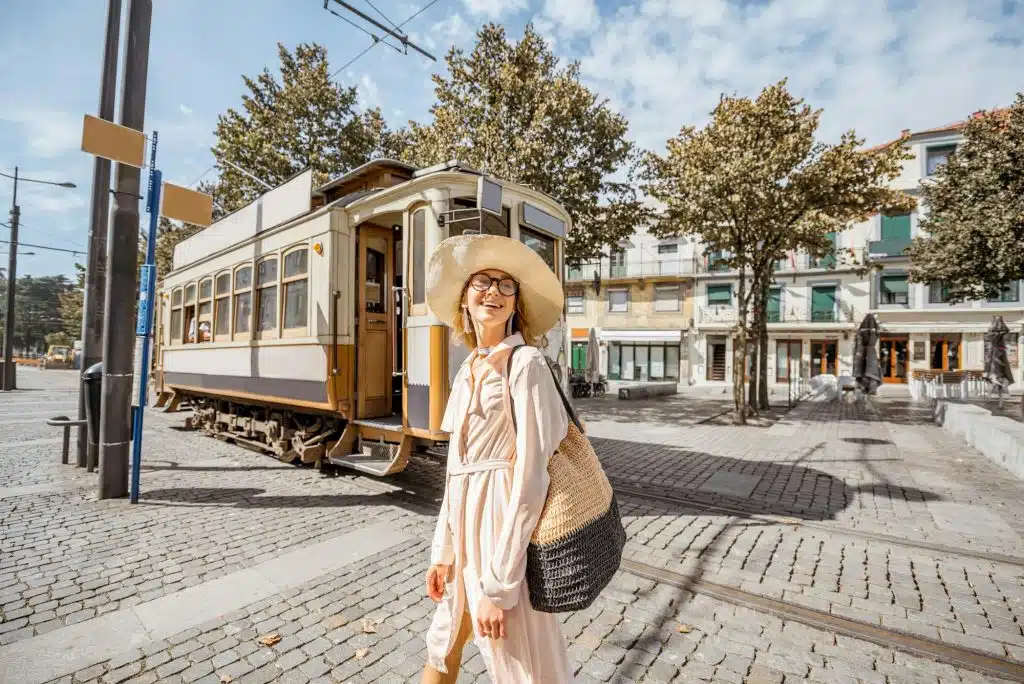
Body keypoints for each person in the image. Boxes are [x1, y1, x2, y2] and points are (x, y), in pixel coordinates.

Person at [421, 233, 574, 683]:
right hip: (465, 532)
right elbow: (456, 473)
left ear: (515, 305)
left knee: (522, 666)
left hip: (502, 531)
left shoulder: (526, 364)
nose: (493, 291)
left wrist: (502, 586)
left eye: (506, 286)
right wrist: (443, 551)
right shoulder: (468, 369)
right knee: (443, 643)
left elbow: (531, 479)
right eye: (482, 282)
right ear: (464, 300)